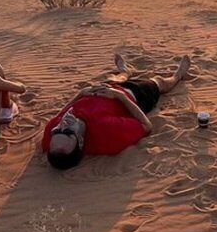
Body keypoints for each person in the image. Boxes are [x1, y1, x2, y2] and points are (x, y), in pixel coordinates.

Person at [42, 53, 192, 170]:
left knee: (114, 78)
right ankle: (178, 76)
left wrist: (81, 93)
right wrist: (120, 96)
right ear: (81, 141)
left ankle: (125, 72)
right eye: (67, 131)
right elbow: (146, 126)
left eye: (57, 130)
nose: (63, 123)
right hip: (135, 94)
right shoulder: (107, 133)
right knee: (160, 82)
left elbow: (58, 116)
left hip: (100, 89)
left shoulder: (55, 141)